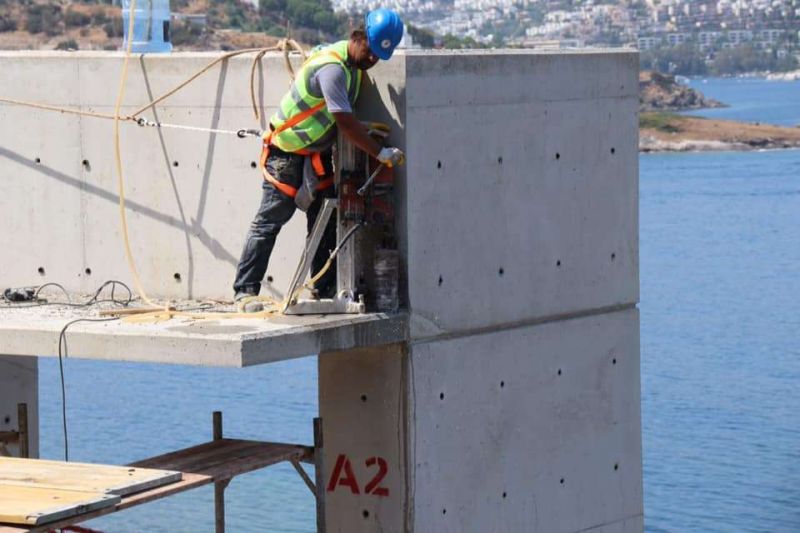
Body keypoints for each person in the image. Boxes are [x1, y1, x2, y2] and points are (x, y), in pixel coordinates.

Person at [232, 9, 406, 306]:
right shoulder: (334, 69)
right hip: (286, 155)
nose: (373, 60)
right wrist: (379, 152)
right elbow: (345, 122)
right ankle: (245, 291)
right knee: (270, 221)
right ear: (359, 37)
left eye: (379, 56)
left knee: (324, 218)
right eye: (371, 52)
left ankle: (321, 288)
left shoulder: (350, 65)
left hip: (313, 155)